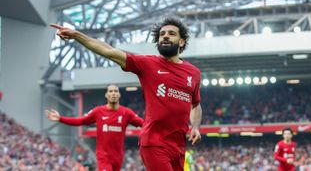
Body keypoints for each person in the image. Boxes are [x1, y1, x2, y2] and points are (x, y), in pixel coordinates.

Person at [50, 17, 202, 171]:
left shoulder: (194, 73)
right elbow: (109, 51)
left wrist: (195, 127)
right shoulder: (147, 64)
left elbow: (195, 105)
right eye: (162, 34)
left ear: (182, 42)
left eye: (171, 33)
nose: (165, 36)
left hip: (178, 146)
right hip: (154, 143)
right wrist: (77, 35)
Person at [46, 85, 144, 171]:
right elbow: (81, 120)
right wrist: (60, 118)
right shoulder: (98, 111)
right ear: (106, 95)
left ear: (119, 95)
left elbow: (143, 124)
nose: (113, 93)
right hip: (103, 156)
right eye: (110, 91)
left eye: (115, 91)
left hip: (118, 156)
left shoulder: (126, 113)